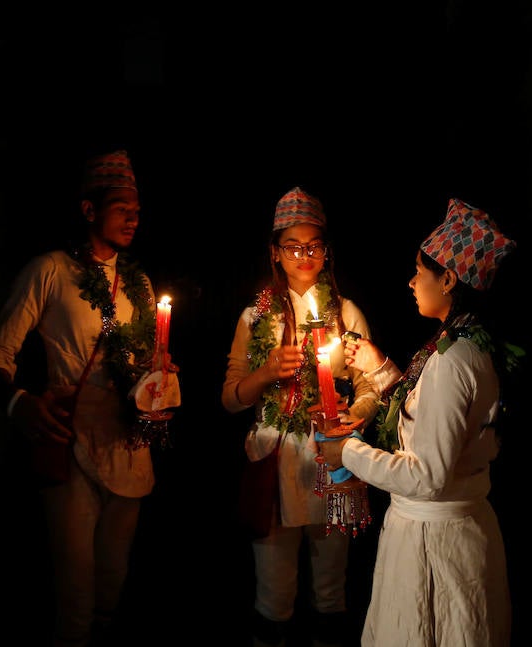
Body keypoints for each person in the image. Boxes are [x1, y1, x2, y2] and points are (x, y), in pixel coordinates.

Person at [0, 149, 177, 647]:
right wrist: (19, 403)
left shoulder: (140, 282)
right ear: (89, 210)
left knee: (113, 583)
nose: (134, 216)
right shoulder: (50, 271)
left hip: (129, 446)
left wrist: (161, 383)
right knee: (76, 595)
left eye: (138, 208)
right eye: (121, 206)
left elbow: (146, 366)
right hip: (70, 443)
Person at [319, 198, 517, 647]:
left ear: (448, 278)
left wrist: (347, 449)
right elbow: (434, 416)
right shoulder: (465, 341)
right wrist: (382, 370)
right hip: (447, 533)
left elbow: (427, 475)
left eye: (418, 271)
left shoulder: (454, 359)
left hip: (437, 548)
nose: (411, 282)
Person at [221, 187, 381, 647]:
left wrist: (353, 413)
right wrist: (268, 371)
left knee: (331, 594)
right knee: (274, 598)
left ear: (326, 251)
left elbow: (371, 388)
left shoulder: (346, 313)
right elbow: (230, 398)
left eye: (314, 245)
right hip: (276, 465)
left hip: (333, 464)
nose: (304, 255)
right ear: (276, 252)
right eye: (293, 246)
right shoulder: (256, 317)